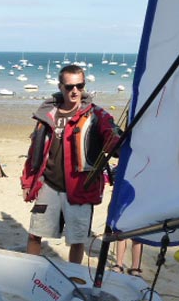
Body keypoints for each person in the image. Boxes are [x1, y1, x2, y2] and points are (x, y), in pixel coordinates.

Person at [21, 65, 121, 264]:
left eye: (79, 85)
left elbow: (115, 140)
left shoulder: (97, 115)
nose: (75, 91)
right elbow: (34, 152)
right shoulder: (47, 114)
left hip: (80, 187)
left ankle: (74, 275)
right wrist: (27, 182)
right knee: (34, 234)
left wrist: (119, 141)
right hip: (48, 184)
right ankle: (30, 271)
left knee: (77, 240)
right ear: (60, 86)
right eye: (69, 87)